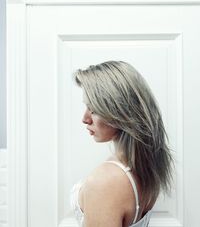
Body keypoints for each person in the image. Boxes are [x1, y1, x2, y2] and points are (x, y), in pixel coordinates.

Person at [70, 60, 174, 227]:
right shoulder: (145, 167)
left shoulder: (106, 182)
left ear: (121, 111)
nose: (85, 119)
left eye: (94, 109)